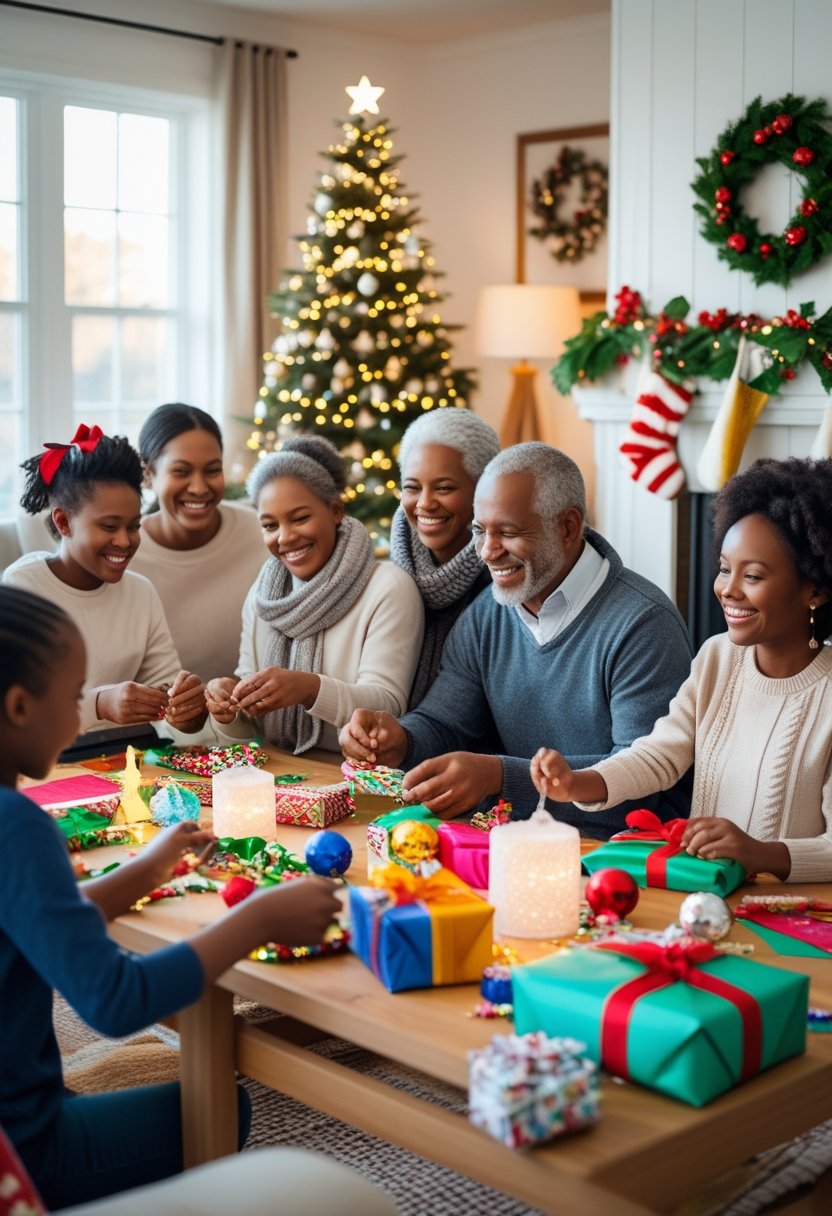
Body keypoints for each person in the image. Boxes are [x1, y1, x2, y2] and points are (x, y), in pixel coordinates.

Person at [0, 585, 341, 1210]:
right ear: (20, 706)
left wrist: (151, 869)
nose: (81, 718)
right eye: (75, 698)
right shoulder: (17, 826)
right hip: (22, 1150)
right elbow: (115, 1001)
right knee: (220, 1104)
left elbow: (44, 917)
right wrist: (257, 919)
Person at [340, 442, 693, 837]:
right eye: (480, 531)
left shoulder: (643, 624)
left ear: (568, 527)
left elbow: (640, 789)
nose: (488, 552)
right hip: (519, 840)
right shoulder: (487, 613)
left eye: (508, 532)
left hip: (627, 857)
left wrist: (499, 778)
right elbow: (445, 723)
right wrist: (400, 740)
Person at [531, 456, 832, 881]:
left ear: (815, 588)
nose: (728, 589)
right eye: (726, 569)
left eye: (754, 576)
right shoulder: (717, 658)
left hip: (791, 923)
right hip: (702, 894)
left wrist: (759, 854)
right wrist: (577, 783)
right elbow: (659, 756)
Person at [206, 435, 423, 755]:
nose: (286, 537)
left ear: (335, 510)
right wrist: (227, 708)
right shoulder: (262, 598)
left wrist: (309, 689)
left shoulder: (388, 587)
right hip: (280, 777)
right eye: (270, 525)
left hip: (356, 783)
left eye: (300, 518)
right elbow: (249, 735)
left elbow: (388, 709)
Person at [2, 426, 206, 751]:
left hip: (123, 764)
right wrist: (99, 704)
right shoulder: (23, 587)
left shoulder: (141, 594)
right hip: (42, 765)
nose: (124, 541)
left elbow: (168, 703)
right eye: (109, 527)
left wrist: (187, 711)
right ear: (63, 522)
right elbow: (13, 711)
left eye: (134, 526)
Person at [132, 404, 265, 682]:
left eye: (212, 470)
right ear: (148, 475)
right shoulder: (125, 552)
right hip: (157, 721)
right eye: (181, 472)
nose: (199, 487)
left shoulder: (258, 530)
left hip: (251, 712)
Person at [391, 408, 500, 706]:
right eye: (412, 487)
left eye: (444, 488)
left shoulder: (503, 583)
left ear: (483, 489)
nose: (425, 503)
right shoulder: (386, 580)